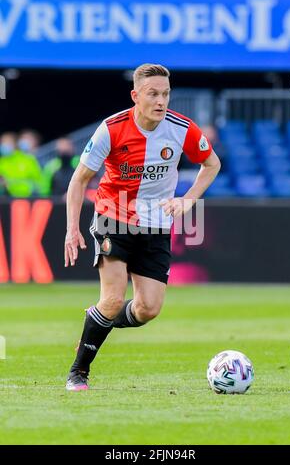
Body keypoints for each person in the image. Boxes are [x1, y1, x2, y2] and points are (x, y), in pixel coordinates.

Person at [64, 63, 221, 391]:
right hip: (113, 217)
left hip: (157, 224)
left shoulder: (182, 128)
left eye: (165, 94)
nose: (161, 100)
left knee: (148, 309)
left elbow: (211, 163)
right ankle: (78, 372)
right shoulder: (111, 129)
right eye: (153, 94)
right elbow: (79, 180)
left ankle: (96, 321)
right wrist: (72, 229)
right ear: (136, 96)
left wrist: (187, 200)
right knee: (111, 299)